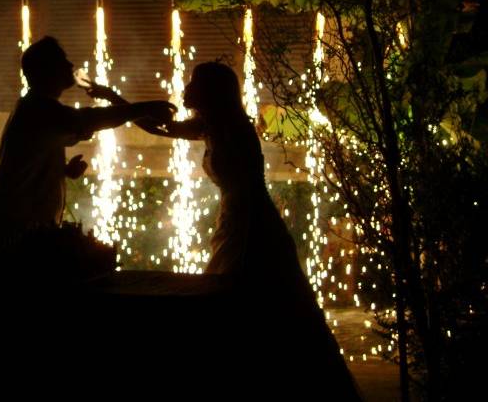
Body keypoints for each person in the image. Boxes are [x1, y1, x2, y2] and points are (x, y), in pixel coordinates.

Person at [87, 61, 362, 398]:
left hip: (250, 225)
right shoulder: (212, 124)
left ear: (211, 92)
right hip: (235, 219)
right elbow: (159, 129)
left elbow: (170, 132)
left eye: (194, 83)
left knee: (242, 296)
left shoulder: (232, 128)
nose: (186, 89)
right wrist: (114, 98)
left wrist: (241, 235)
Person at [0, 36, 176, 271]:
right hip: (14, 231)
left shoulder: (35, 107)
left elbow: (29, 157)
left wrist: (61, 170)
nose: (71, 67)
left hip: (19, 227)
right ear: (46, 71)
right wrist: (145, 108)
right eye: (63, 62)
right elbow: (88, 120)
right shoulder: (40, 109)